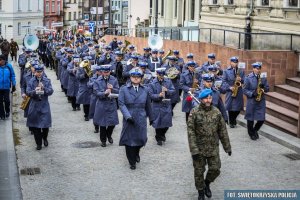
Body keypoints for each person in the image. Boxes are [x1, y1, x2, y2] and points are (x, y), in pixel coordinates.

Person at [187, 89, 231, 200]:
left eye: (210, 98)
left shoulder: (216, 112)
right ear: (201, 99)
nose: (208, 100)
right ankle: (201, 192)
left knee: (216, 169)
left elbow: (222, 131)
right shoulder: (194, 112)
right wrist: (194, 150)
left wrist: (227, 147)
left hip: (213, 147)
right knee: (199, 171)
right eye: (206, 98)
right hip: (199, 148)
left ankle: (207, 183)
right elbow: (190, 132)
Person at [118, 67, 153, 170]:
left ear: (141, 78)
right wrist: (127, 116)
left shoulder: (145, 89)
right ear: (130, 77)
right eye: (133, 76)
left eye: (138, 77)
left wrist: (151, 118)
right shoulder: (124, 89)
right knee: (129, 140)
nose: (136, 78)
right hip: (129, 116)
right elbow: (121, 103)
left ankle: (137, 152)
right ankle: (131, 161)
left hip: (141, 116)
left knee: (141, 139)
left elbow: (148, 105)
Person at [26, 64, 54, 150]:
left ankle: (44, 137)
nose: (39, 74)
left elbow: (51, 91)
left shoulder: (46, 80)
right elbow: (28, 92)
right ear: (34, 72)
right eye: (37, 72)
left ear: (42, 72)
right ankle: (38, 143)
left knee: (45, 125)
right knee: (35, 127)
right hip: (34, 105)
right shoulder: (31, 81)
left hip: (44, 105)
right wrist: (35, 91)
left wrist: (44, 88)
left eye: (40, 72)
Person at [93, 65, 119, 147]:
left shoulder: (114, 80)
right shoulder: (97, 81)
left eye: (107, 72)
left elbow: (119, 91)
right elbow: (96, 93)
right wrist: (104, 93)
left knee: (112, 123)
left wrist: (113, 89)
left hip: (111, 103)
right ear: (102, 72)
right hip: (102, 104)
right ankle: (103, 141)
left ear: (110, 71)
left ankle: (109, 135)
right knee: (103, 124)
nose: (106, 73)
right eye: (104, 72)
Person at [148, 68, 175, 145]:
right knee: (158, 123)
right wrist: (158, 95)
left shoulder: (168, 81)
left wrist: (167, 91)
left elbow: (173, 91)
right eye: (160, 75)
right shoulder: (152, 83)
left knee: (167, 123)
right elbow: (151, 95)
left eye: (163, 75)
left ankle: (162, 134)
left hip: (166, 104)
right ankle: (158, 138)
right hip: (157, 105)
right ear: (157, 74)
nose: (161, 76)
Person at [243, 62, 269, 140]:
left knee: (261, 119)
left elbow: (267, 88)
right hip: (252, 100)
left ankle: (255, 130)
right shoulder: (248, 78)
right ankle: (251, 133)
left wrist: (264, 87)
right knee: (250, 118)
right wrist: (252, 93)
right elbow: (244, 90)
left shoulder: (263, 77)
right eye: (257, 68)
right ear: (253, 68)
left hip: (261, 100)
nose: (258, 70)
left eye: (259, 69)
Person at [222, 56, 245, 128]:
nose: (235, 63)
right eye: (233, 62)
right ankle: (231, 121)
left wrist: (241, 79)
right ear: (230, 62)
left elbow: (245, 80)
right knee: (230, 107)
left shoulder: (241, 71)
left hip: (239, 90)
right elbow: (223, 81)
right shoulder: (226, 71)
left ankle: (233, 119)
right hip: (230, 90)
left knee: (238, 108)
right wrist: (229, 87)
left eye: (236, 62)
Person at [0, 54, 16, 119]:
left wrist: (14, 84)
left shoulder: (9, 67)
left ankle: (7, 111)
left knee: (7, 101)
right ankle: (2, 114)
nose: (0, 62)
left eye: (1, 60)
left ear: (4, 60)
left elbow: (12, 75)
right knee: (0, 101)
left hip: (6, 87)